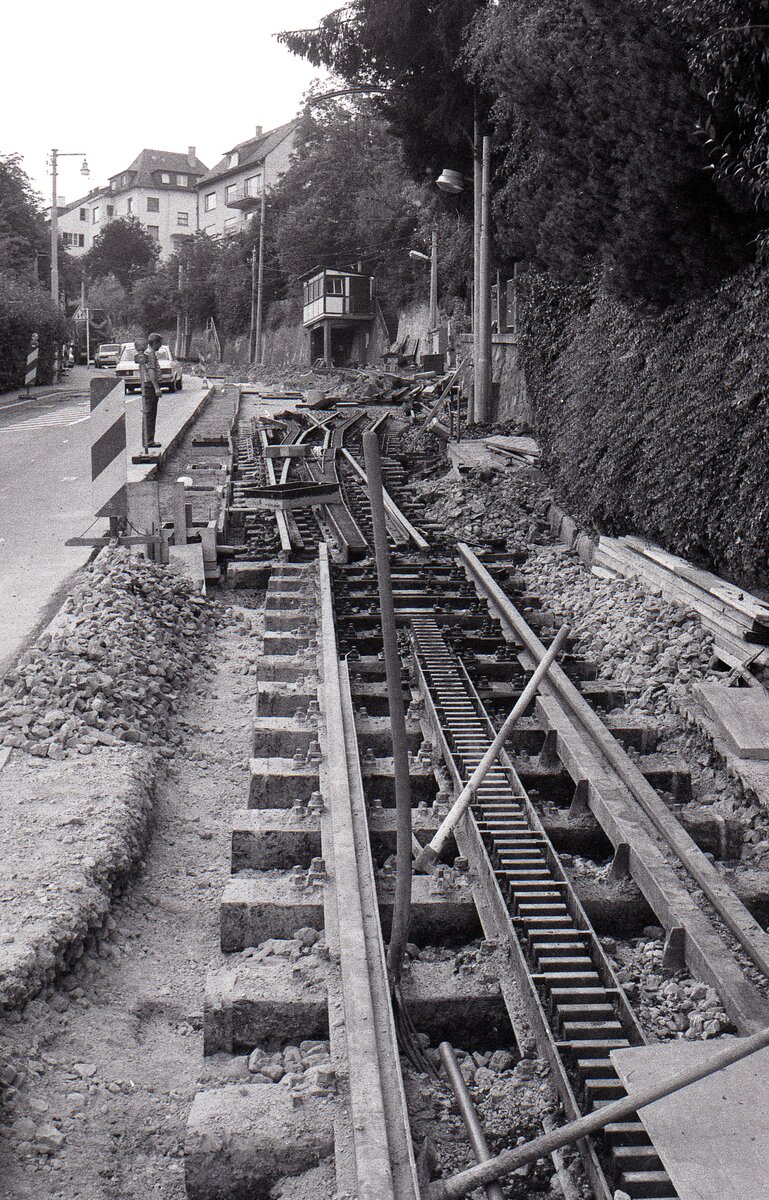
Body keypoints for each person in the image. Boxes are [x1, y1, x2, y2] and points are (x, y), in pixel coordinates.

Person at [144, 333, 163, 448]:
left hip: (149, 385)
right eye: (159, 344)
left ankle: (148, 440)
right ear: (155, 343)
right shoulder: (150, 354)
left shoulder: (148, 353)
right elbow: (151, 371)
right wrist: (156, 387)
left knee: (149, 413)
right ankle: (149, 441)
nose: (160, 346)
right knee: (150, 414)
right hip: (150, 387)